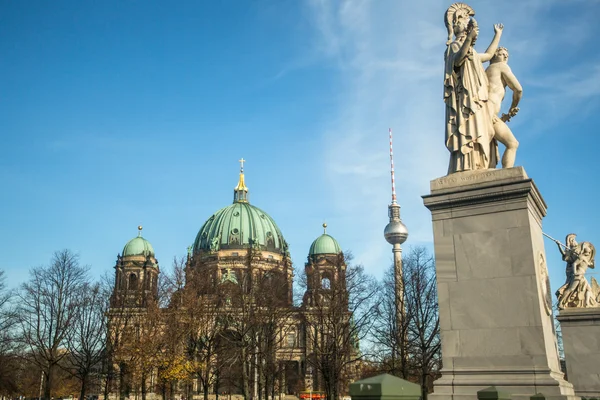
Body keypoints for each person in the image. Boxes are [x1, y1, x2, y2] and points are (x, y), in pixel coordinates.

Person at [444, 3, 503, 174]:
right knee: (469, 130)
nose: (466, 24)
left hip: (477, 98)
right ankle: (466, 166)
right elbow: (457, 60)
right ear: (455, 26)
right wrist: (469, 38)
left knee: (482, 132)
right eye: (463, 22)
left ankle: (479, 164)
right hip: (465, 101)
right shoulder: (454, 47)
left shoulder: (474, 53)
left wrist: (497, 35)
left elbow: (490, 55)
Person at [485, 47, 523, 168]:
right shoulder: (501, 66)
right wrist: (513, 107)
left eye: (507, 55)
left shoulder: (487, 71)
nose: (506, 57)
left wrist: (505, 116)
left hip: (486, 112)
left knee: (488, 152)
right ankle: (508, 177)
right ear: (494, 55)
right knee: (512, 144)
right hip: (489, 112)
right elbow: (518, 90)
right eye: (502, 54)